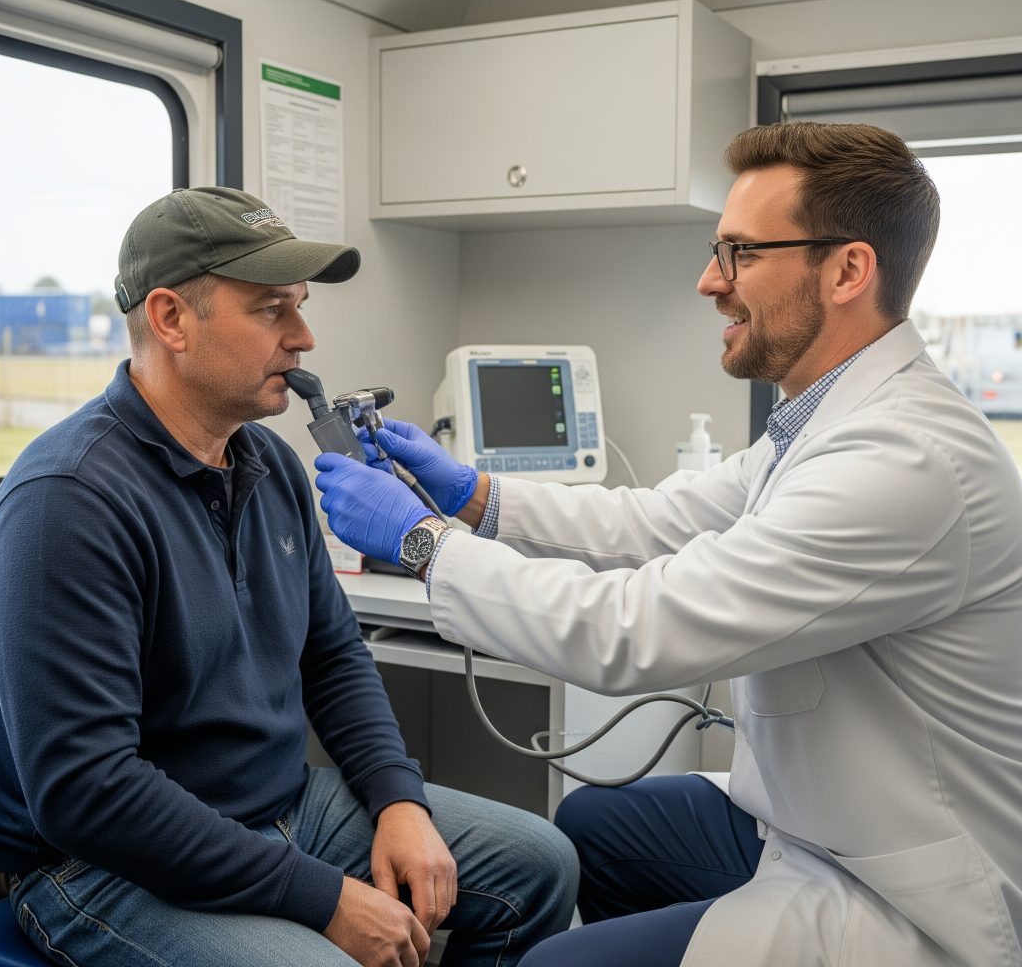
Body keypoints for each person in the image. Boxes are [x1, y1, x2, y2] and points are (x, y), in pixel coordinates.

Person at [314, 122, 1022, 967]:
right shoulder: (823, 425)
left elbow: (634, 631)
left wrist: (423, 542)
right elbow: (655, 521)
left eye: (740, 254)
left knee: (551, 963)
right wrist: (475, 495)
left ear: (847, 271)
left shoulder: (904, 462)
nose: (708, 281)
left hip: (903, 882)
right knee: (589, 827)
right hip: (815, 817)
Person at [0, 186, 578, 967]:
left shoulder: (265, 460)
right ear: (170, 319)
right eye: (272, 310)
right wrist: (321, 897)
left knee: (541, 865)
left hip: (279, 807)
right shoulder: (66, 500)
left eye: (300, 306)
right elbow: (87, 792)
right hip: (102, 865)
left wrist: (399, 798)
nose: (304, 337)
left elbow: (333, 657)